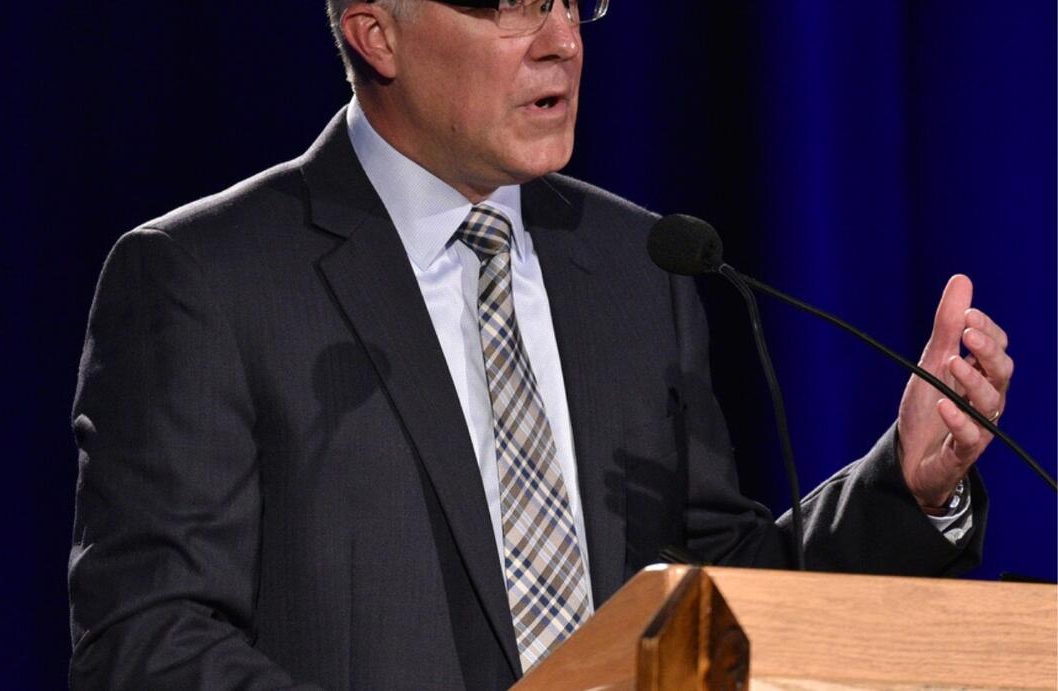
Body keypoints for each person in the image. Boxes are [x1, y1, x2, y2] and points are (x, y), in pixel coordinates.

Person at [67, 1, 1012, 688]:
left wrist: (906, 486)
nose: (562, 41)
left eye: (570, 0)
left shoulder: (639, 265)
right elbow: (148, 640)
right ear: (376, 33)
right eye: (513, 4)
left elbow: (713, 597)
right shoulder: (205, 279)